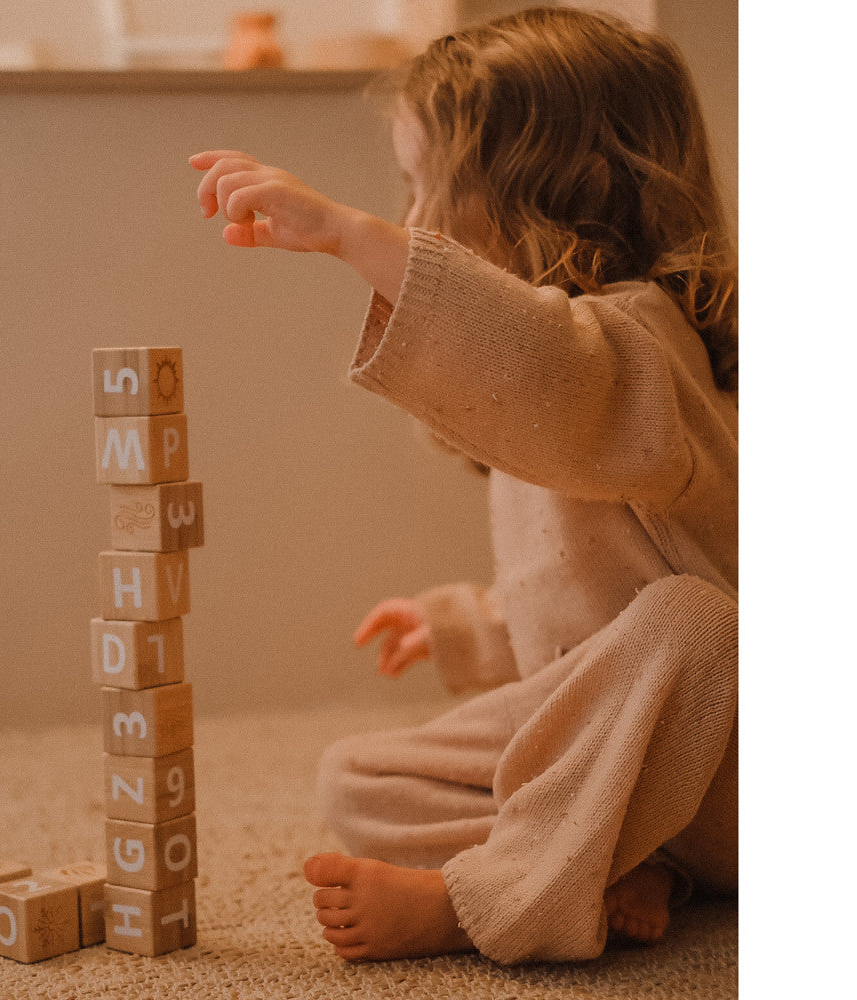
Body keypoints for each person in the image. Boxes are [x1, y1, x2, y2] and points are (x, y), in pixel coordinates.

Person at [190, 5, 737, 967]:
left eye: (422, 191)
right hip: (632, 776)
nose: (408, 222)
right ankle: (609, 859)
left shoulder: (645, 350)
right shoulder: (558, 382)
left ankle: (491, 898)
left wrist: (345, 235)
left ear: (544, 191)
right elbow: (577, 602)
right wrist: (469, 628)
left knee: (695, 620)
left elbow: (549, 370)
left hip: (735, 758)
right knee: (357, 778)